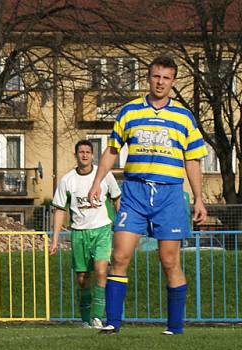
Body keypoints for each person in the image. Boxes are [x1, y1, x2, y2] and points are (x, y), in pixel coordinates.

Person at [87, 55, 208, 335]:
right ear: (148, 77)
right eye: (156, 76)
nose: (160, 82)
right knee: (119, 256)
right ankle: (112, 323)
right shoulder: (130, 112)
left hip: (169, 195)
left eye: (166, 78)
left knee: (169, 260)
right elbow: (112, 150)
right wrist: (97, 181)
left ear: (173, 81)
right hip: (135, 192)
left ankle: (175, 327)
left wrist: (199, 198)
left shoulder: (183, 116)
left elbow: (192, 159)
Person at [50, 140, 120, 328]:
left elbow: (116, 199)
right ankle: (85, 319)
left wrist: (121, 227)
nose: (85, 155)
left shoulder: (104, 175)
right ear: (76, 155)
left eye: (88, 152)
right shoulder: (67, 180)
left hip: (102, 230)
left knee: (100, 269)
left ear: (93, 155)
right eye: (81, 152)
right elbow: (59, 210)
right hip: (79, 233)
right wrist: (54, 239)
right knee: (82, 278)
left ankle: (98, 316)